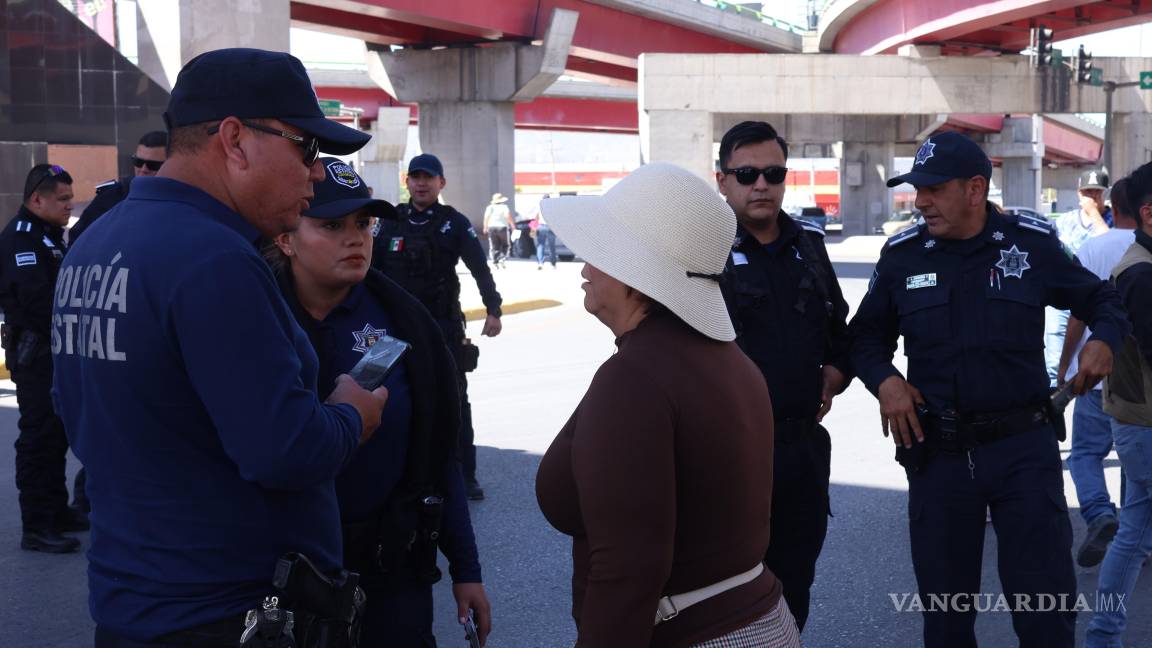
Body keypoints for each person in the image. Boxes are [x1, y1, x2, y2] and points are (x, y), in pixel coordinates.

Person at [51, 48, 388, 646]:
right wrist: (349, 415)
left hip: (135, 601)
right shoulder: (214, 258)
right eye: (305, 147)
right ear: (234, 140)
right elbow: (285, 450)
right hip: (225, 613)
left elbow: (79, 412)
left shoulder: (97, 241)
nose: (316, 172)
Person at [849, 132, 1129, 648]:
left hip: (1024, 451)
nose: (921, 200)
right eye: (917, 189)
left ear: (975, 188)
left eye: (934, 188)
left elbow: (1103, 298)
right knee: (946, 618)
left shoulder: (1031, 243)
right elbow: (863, 336)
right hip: (938, 454)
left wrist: (1104, 340)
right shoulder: (903, 255)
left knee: (1044, 612)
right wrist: (886, 382)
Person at [536, 162, 798, 647]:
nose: (585, 267)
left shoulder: (637, 377)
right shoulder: (727, 358)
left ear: (637, 275)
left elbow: (627, 570)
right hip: (757, 622)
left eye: (599, 251)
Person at [269, 158, 492, 647]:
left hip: (392, 571)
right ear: (286, 238)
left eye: (363, 223)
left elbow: (438, 454)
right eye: (332, 225)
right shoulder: (255, 321)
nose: (356, 238)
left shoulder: (403, 322)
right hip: (280, 578)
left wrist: (466, 570)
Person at [714, 120, 850, 632]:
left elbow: (841, 329)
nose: (761, 185)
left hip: (800, 452)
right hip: (732, 454)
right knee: (731, 591)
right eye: (746, 173)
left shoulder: (808, 247)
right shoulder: (701, 252)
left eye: (772, 172)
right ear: (722, 180)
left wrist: (836, 371)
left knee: (795, 586)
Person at [373, 153, 503, 501]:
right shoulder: (389, 221)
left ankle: (465, 475)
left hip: (441, 328)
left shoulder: (453, 223)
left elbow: (480, 268)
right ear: (407, 182)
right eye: (415, 176)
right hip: (391, 329)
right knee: (386, 397)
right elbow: (368, 270)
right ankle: (395, 471)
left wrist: (494, 308)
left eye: (428, 177)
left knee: (454, 400)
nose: (421, 182)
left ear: (441, 183)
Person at [0, 163, 85, 553]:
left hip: (54, 352)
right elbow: (38, 302)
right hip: (36, 352)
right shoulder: (23, 239)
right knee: (39, 436)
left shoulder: (49, 235)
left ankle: (56, 508)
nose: (70, 205)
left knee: (57, 433)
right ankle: (37, 523)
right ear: (37, 199)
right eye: (63, 199)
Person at [1057, 177, 1138, 568]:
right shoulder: (1144, 247)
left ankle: (1098, 513)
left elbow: (1077, 315)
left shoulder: (1092, 248)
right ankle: (1133, 532)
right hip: (1138, 372)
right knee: (1130, 454)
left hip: (1094, 369)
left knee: (1087, 451)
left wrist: (1064, 364)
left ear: (1112, 206)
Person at [1087, 161, 1152, 647]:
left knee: (1132, 534)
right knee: (1132, 535)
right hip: (1145, 425)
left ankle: (1101, 637)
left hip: (1138, 421)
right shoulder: (1140, 273)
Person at [1045, 168, 1113, 385]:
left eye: (1097, 192)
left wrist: (1094, 214)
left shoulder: (1111, 219)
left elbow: (1110, 244)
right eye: (1087, 192)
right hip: (1063, 295)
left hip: (1095, 295)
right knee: (1054, 342)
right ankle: (1055, 389)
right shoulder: (1064, 220)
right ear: (1078, 193)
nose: (1092, 197)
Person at [69, 130, 168, 243]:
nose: (143, 169)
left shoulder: (181, 200)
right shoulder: (111, 196)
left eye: (153, 165)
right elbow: (78, 237)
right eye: (138, 162)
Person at [482, 192, 514, 269]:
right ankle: (502, 259)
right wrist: (513, 225)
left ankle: (495, 261)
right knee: (505, 244)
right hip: (502, 227)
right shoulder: (504, 207)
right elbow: (507, 216)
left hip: (491, 227)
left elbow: (486, 218)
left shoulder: (489, 207)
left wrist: (485, 227)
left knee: (494, 245)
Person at [533, 195, 557, 270]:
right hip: (550, 228)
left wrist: (533, 228)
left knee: (540, 245)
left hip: (541, 227)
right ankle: (553, 264)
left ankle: (540, 263)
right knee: (551, 246)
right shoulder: (553, 208)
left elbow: (536, 218)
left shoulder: (539, 207)